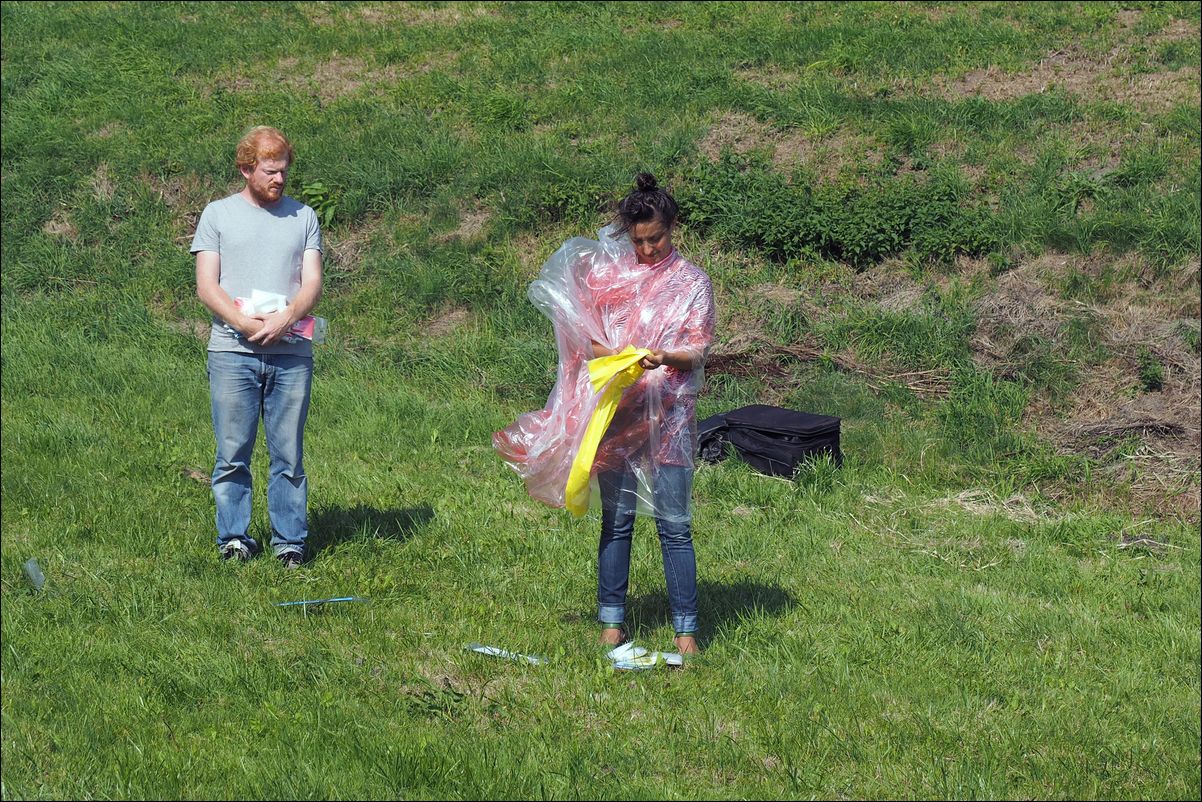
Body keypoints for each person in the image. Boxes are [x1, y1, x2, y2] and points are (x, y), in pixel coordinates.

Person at [494, 173, 715, 654]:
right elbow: (585, 336)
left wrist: (661, 356)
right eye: (639, 242)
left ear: (673, 227)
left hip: (671, 419)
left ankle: (686, 632)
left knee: (674, 524)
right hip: (619, 415)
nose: (649, 250)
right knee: (617, 519)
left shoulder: (693, 283)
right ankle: (612, 622)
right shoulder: (614, 279)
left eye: (656, 238)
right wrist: (614, 355)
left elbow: (697, 350)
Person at [190, 126, 323, 568]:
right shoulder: (217, 216)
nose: (280, 180)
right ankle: (234, 537)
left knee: (289, 453)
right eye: (270, 171)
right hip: (231, 352)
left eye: (284, 171)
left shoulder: (304, 217)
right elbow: (207, 287)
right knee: (233, 450)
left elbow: (312, 283)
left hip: (291, 354)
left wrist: (286, 316)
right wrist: (244, 323)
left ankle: (290, 543)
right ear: (246, 169)